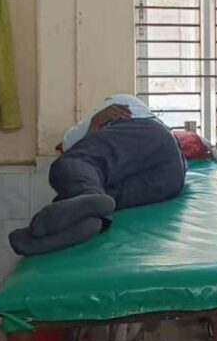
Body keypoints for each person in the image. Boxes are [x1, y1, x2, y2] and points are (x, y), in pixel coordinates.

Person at [9, 94, 186, 255]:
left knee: (73, 163)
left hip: (144, 135)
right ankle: (87, 223)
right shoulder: (165, 132)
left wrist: (94, 124)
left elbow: (69, 145)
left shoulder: (116, 104)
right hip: (172, 176)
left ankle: (88, 200)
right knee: (103, 199)